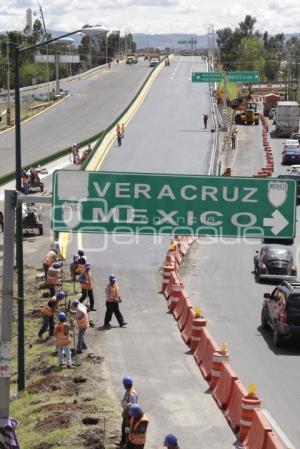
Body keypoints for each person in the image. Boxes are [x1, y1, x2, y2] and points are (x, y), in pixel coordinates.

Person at [117, 377, 138, 448]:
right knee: (124, 429)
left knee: (126, 430)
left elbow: (133, 407)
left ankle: (125, 444)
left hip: (129, 416)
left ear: (126, 385)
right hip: (127, 414)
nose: (123, 386)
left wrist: (129, 418)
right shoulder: (128, 391)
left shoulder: (131, 394)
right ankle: (122, 442)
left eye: (124, 384)